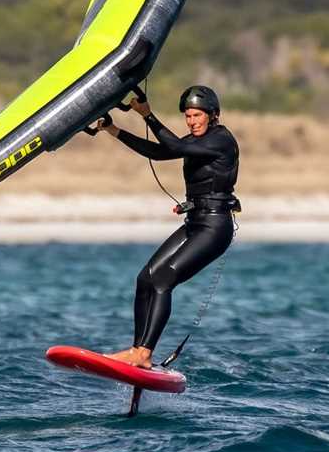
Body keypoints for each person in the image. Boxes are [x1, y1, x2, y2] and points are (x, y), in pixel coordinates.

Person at [95, 85, 241, 368]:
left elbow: (174, 146)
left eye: (197, 115)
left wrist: (147, 115)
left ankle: (144, 353)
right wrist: (115, 131)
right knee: (146, 278)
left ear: (213, 115)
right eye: (187, 116)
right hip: (195, 222)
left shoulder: (221, 139)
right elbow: (161, 152)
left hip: (214, 227)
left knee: (164, 280)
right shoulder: (197, 142)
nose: (192, 121)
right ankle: (138, 352)